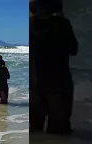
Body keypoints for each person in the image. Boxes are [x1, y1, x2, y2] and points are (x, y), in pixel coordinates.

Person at [30, 0, 78, 134]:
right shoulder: (62, 24)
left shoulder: (29, 25)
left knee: (34, 128)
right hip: (58, 81)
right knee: (59, 128)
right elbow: (73, 49)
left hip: (34, 81)